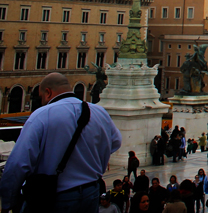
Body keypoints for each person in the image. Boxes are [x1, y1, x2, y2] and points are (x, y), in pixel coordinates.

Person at [0, 72, 122, 213]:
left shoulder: (42, 115)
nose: (41, 101)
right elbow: (115, 142)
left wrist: (7, 202)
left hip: (56, 196)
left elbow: (18, 164)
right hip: (91, 193)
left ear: (48, 92)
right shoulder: (99, 112)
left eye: (41, 97)